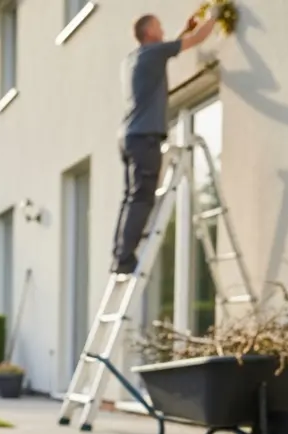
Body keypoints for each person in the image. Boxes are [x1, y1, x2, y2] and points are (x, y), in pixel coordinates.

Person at [111, 10, 217, 275]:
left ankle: (119, 255)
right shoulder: (154, 53)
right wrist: (215, 14)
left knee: (130, 199)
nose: (163, 30)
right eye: (159, 27)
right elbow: (198, 39)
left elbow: (169, 50)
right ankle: (125, 258)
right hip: (145, 136)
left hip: (128, 137)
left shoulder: (134, 59)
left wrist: (184, 30)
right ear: (149, 32)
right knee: (142, 198)